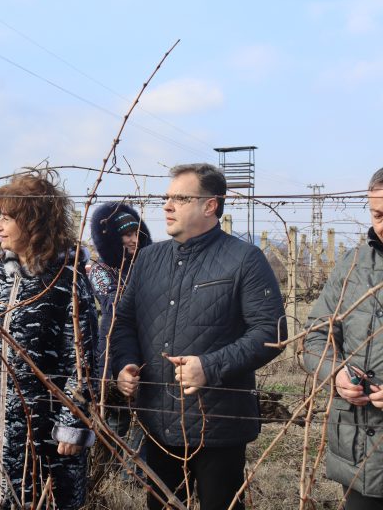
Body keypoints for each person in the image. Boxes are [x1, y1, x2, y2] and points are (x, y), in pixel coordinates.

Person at [112, 163, 285, 509]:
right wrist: (125, 364)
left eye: (180, 198)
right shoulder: (147, 260)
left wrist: (211, 366)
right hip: (157, 425)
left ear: (210, 206)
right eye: (167, 198)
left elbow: (271, 332)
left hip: (219, 428)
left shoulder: (244, 260)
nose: (167, 206)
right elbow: (125, 322)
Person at [0, 172, 98, 509]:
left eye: (7, 218)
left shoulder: (66, 280)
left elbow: (82, 357)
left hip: (48, 436)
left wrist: (72, 422)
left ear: (33, 222)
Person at [303, 167, 383, 509]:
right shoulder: (352, 265)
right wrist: (335, 373)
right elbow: (316, 337)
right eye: (378, 214)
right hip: (359, 450)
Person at [89, 202, 152, 476]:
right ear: (111, 238)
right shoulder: (100, 271)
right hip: (113, 353)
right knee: (115, 415)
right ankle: (105, 473)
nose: (133, 239)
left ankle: (133, 477)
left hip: (149, 349)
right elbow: (116, 304)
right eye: (125, 235)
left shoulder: (148, 263)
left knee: (146, 419)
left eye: (136, 233)